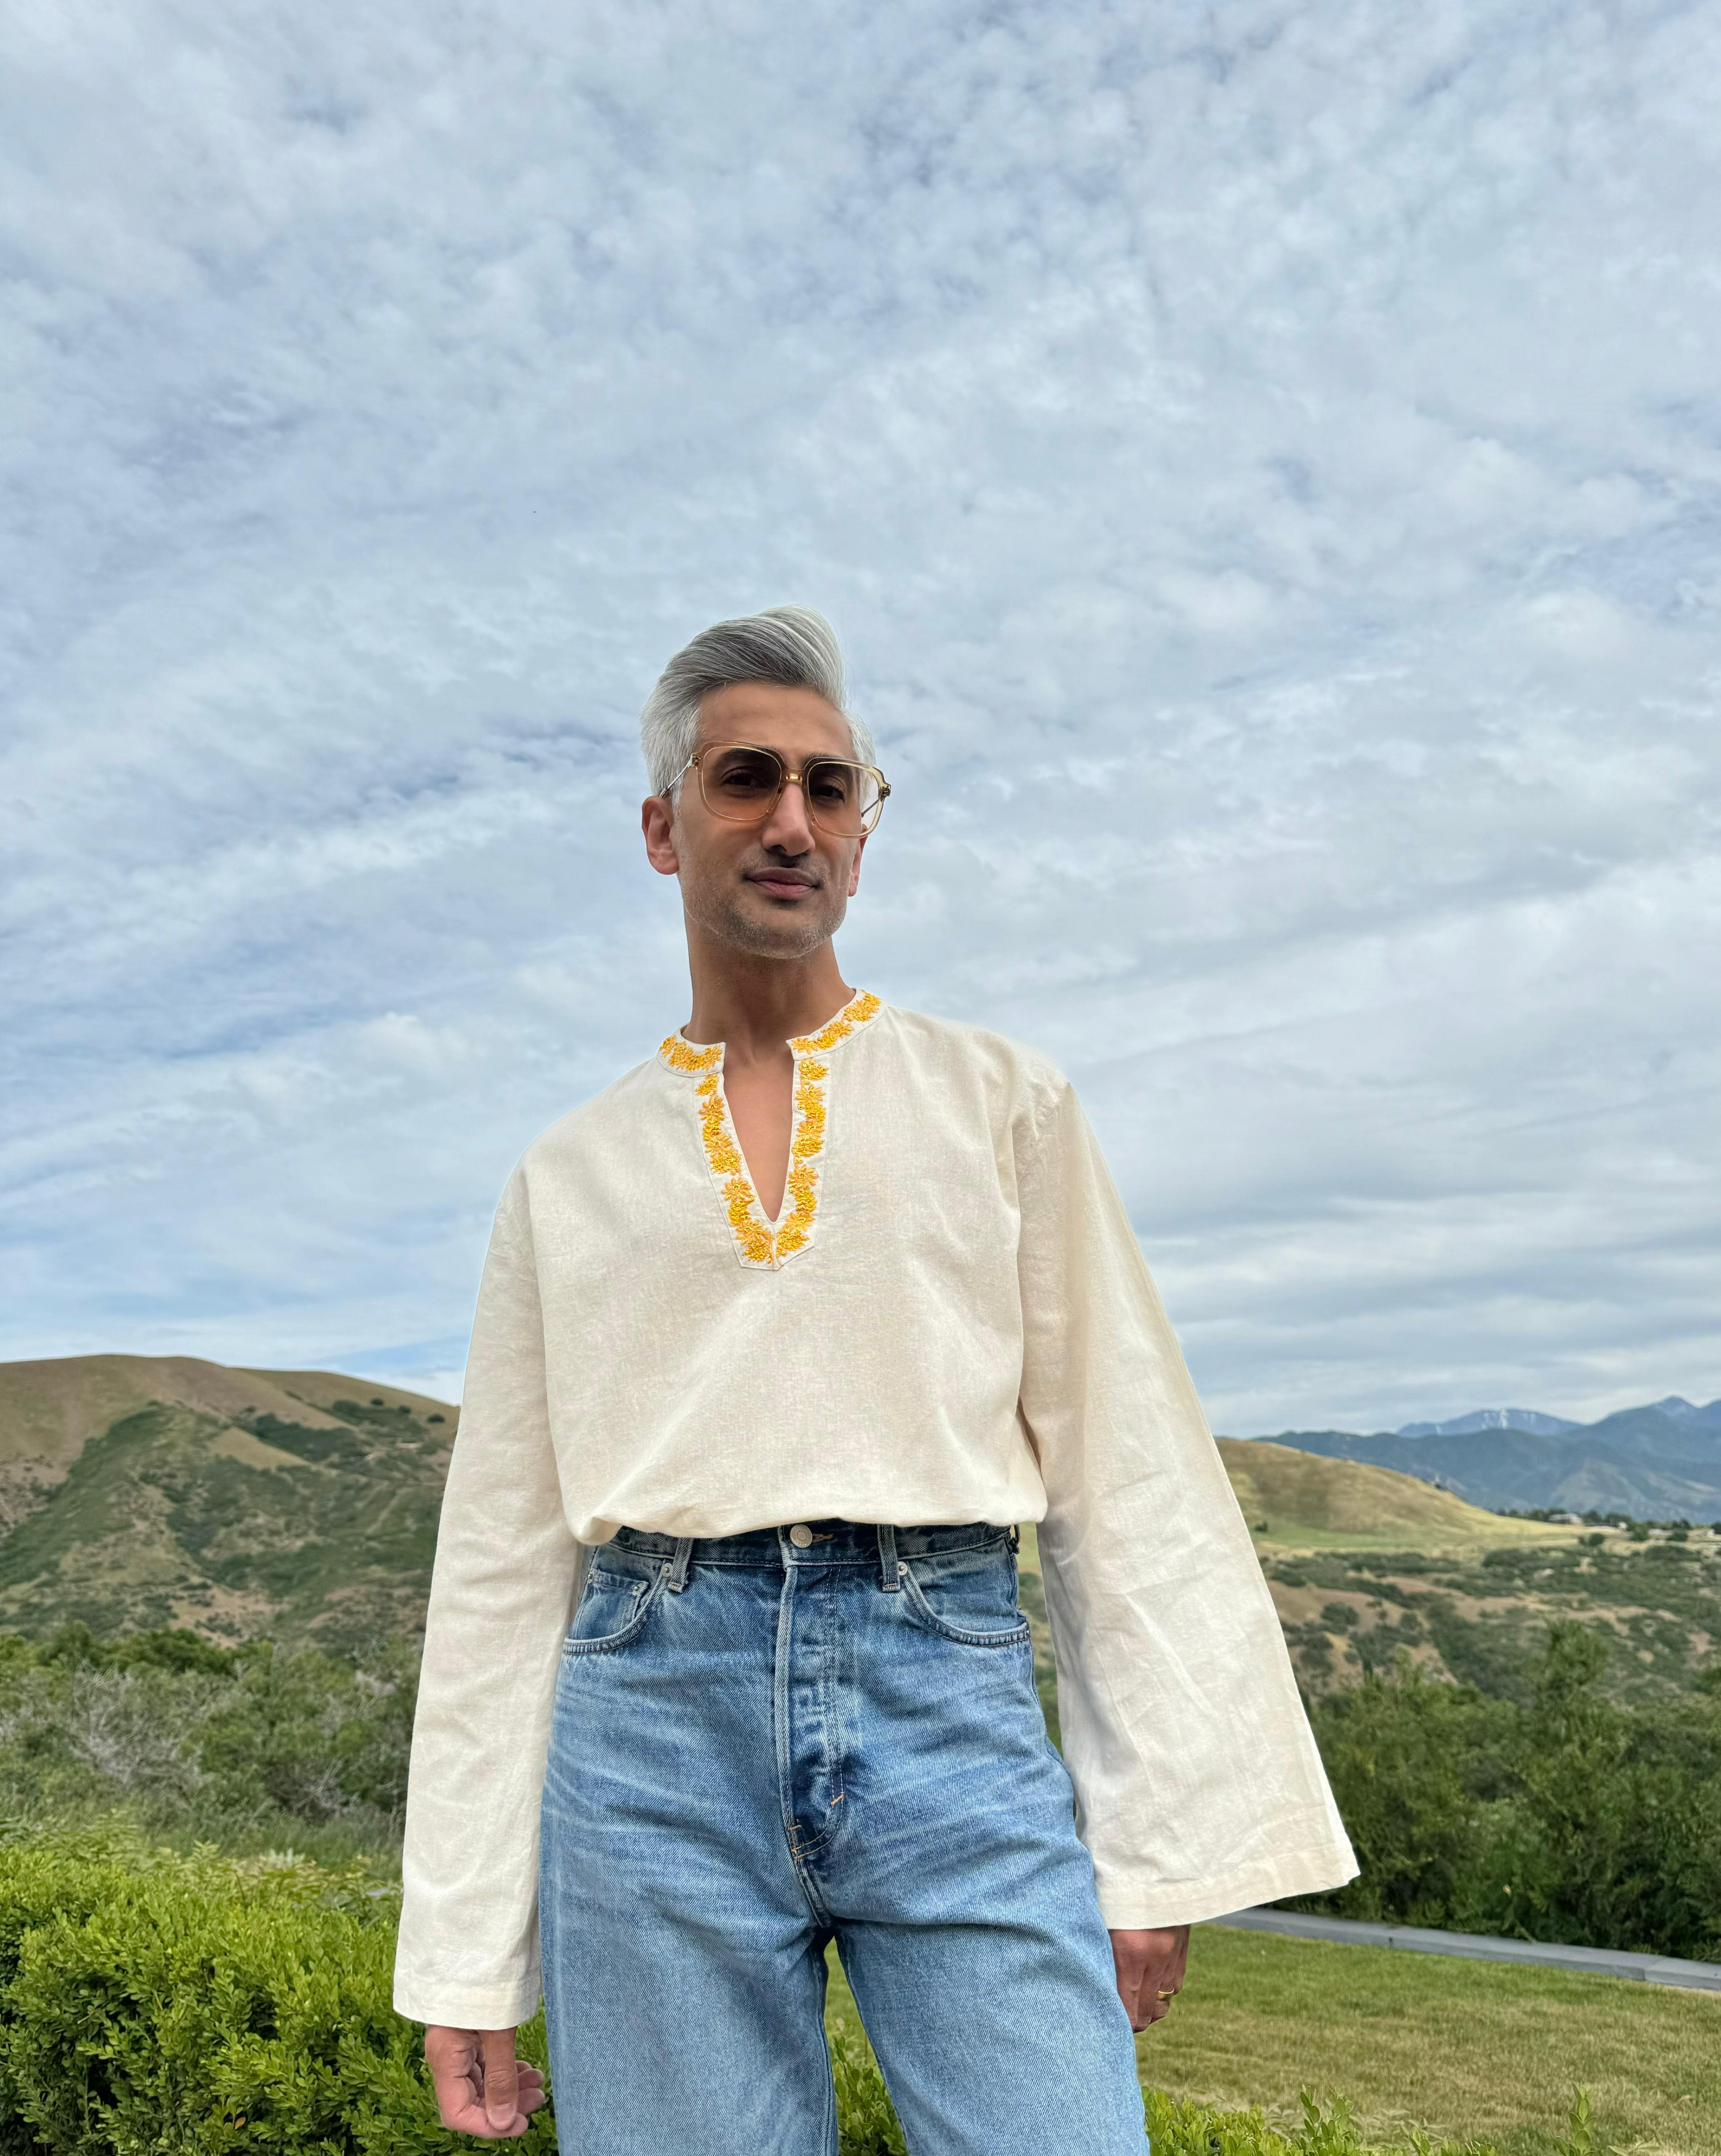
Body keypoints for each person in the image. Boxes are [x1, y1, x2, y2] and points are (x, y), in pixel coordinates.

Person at [393, 606, 1357, 2154]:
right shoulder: (566, 1176)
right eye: (746, 779)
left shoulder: (1003, 1103)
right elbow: (502, 1563)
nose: (792, 820)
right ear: (662, 826)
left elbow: (1129, 1470)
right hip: (647, 1729)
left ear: (866, 827)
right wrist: (462, 1953)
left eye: (831, 788)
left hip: (949, 1693)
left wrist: (1157, 1846)